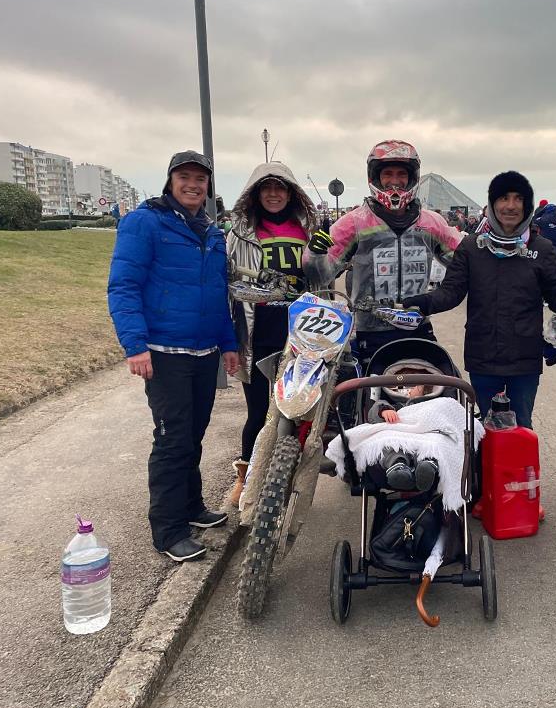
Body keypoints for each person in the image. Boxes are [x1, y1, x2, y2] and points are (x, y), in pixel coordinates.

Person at [107, 150, 240, 562]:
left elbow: (217, 294)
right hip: (165, 354)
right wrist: (135, 346)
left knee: (193, 433)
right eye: (185, 177)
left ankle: (191, 506)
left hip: (204, 352)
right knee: (172, 439)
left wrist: (229, 343)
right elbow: (123, 286)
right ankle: (168, 531)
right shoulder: (144, 222)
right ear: (170, 181)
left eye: (200, 179)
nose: (193, 185)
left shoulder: (212, 233)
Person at [402, 171, 556, 429]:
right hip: (483, 355)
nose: (511, 206)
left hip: (524, 357)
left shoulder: (542, 248)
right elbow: (451, 292)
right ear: (492, 204)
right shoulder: (471, 247)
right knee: (487, 429)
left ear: (527, 205)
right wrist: (422, 302)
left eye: (518, 199)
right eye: (503, 198)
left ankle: (521, 456)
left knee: (521, 426)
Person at [302, 140, 462, 363]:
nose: (395, 181)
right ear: (375, 177)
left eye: (401, 174)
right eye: (388, 174)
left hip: (419, 327)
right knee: (358, 385)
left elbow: (465, 261)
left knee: (442, 380)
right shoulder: (354, 223)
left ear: (412, 177)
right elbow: (321, 275)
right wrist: (315, 254)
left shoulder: (432, 223)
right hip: (370, 332)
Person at [225, 161, 318, 506]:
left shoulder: (307, 231)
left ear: (292, 193)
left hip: (300, 333)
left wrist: (323, 256)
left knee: (296, 410)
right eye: (267, 187)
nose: (274, 194)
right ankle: (245, 477)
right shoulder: (240, 235)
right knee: (258, 411)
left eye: (281, 187)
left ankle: (285, 478)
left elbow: (323, 281)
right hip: (257, 330)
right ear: (255, 193)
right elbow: (228, 282)